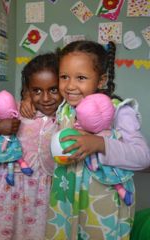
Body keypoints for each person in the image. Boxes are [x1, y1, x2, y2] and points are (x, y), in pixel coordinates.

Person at [45, 40, 150, 239]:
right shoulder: (64, 109)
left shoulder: (120, 110)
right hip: (65, 202)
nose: (70, 86)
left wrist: (100, 144)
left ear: (101, 80)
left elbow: (143, 156)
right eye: (64, 77)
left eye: (81, 78)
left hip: (102, 206)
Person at [0, 53, 63, 240]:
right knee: (8, 230)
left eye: (53, 90)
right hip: (12, 189)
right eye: (36, 91)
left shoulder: (65, 115)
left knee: (41, 232)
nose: (46, 98)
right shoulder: (15, 110)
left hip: (46, 191)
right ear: (27, 90)